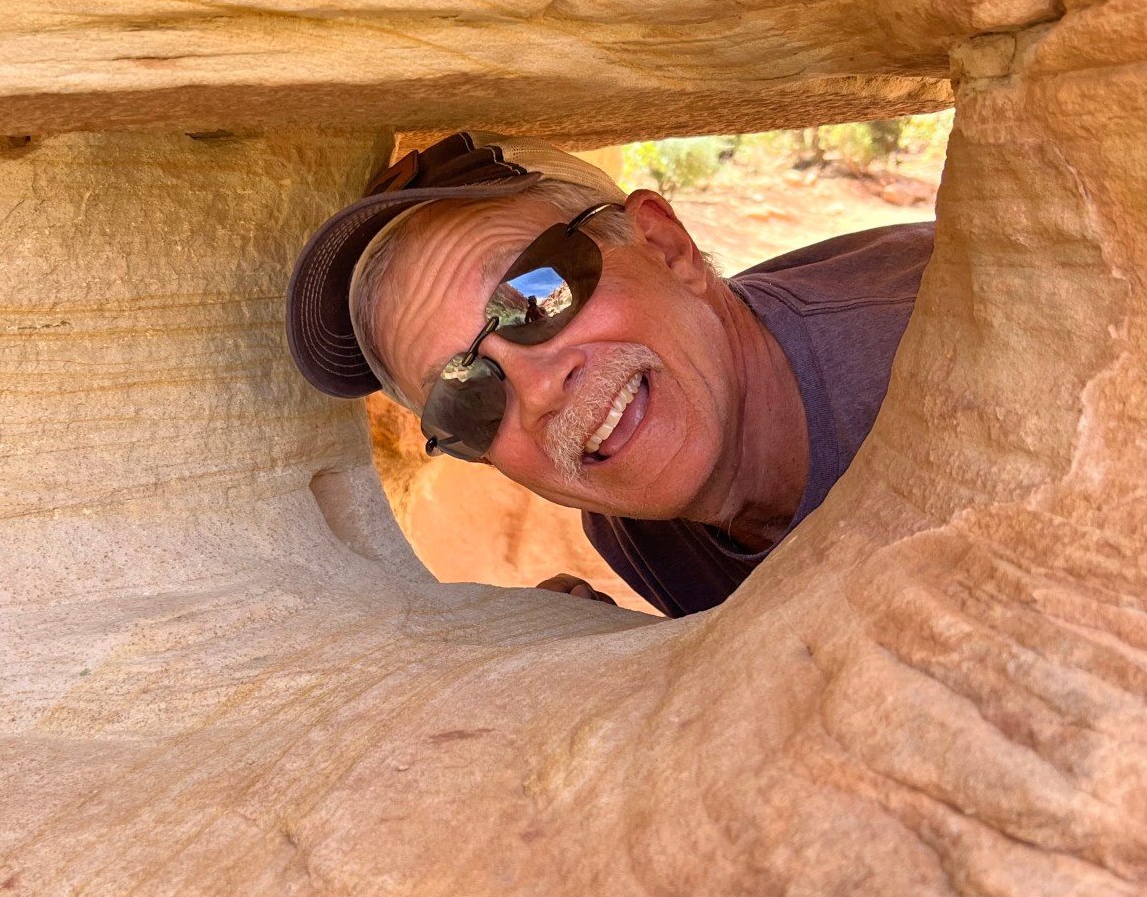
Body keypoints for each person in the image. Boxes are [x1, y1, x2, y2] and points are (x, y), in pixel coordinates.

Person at [286, 131, 933, 617]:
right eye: (463, 394)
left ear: (665, 247)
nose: (539, 393)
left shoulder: (919, 375)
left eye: (534, 297)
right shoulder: (634, 521)